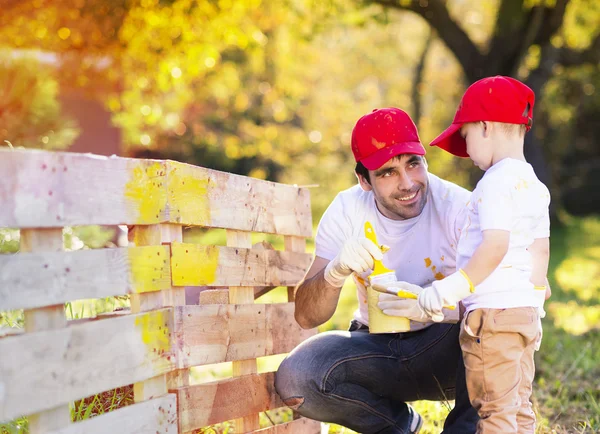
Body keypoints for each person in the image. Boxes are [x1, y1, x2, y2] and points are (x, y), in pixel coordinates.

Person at [274, 107, 479, 433]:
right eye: (387, 173)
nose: (408, 183)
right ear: (363, 180)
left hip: (449, 351)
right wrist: (334, 273)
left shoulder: (460, 207)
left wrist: (435, 304)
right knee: (298, 376)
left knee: (496, 324)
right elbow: (305, 316)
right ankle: (398, 426)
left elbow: (504, 296)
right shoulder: (346, 210)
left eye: (413, 163)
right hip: (378, 347)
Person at [407, 76, 551, 433]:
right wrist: (535, 297)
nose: (467, 150)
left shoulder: (494, 184)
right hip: (523, 316)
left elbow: (495, 245)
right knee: (518, 406)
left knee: (494, 411)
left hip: (493, 318)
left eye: (466, 136)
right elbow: (541, 249)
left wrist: (454, 287)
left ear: (485, 127)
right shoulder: (534, 185)